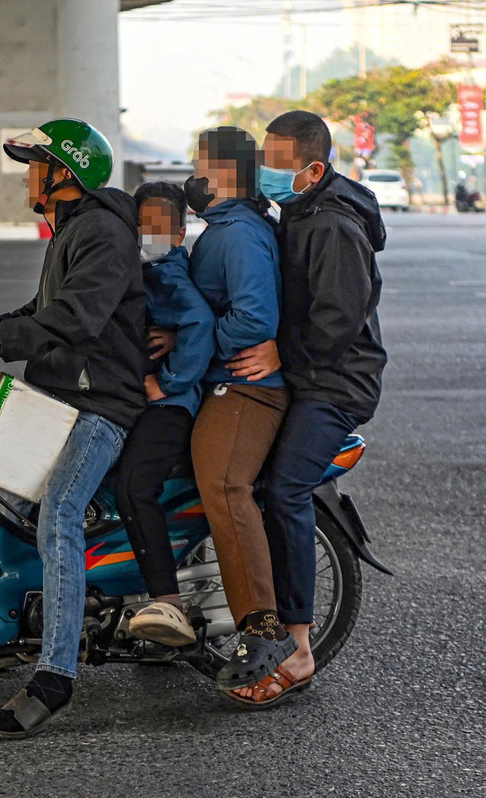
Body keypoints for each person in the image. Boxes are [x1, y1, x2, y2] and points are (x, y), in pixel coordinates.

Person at [0, 118, 145, 739]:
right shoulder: (71, 229)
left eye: (36, 166)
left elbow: (76, 318)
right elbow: (43, 309)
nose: (28, 177)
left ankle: (56, 677)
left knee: (59, 511)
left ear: (66, 173)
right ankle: (16, 630)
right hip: (63, 394)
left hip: (100, 404)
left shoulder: (103, 233)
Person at [224, 110, 387, 707]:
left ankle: (297, 648)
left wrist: (278, 352)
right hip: (303, 372)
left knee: (284, 488)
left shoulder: (334, 226)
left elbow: (336, 322)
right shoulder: (297, 211)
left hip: (335, 382)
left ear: (313, 171)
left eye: (275, 163)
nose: (263, 171)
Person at [184, 127, 297, 692]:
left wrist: (193, 342)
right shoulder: (226, 228)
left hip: (246, 388)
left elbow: (254, 319)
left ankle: (264, 626)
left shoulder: (241, 234)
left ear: (224, 173)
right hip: (220, 378)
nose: (193, 177)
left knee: (225, 485)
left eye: (199, 166)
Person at [114, 181, 215, 647]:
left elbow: (200, 323)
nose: (149, 233)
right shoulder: (143, 268)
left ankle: (167, 601)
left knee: (135, 486)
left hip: (171, 405)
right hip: (148, 400)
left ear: (179, 234)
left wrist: (167, 381)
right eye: (142, 223)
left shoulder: (167, 273)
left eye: (160, 226)